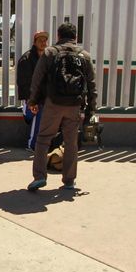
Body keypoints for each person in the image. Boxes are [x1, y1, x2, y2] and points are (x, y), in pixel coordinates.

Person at [27, 22, 97, 192]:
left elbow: (37, 79)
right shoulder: (84, 55)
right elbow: (92, 84)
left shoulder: (50, 52)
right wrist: (91, 110)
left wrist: (33, 101)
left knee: (43, 139)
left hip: (54, 103)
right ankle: (69, 181)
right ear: (76, 37)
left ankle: (40, 177)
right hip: (74, 105)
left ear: (58, 36)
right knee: (71, 142)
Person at [16, 31, 49, 151]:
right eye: (40, 40)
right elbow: (23, 82)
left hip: (44, 96)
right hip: (32, 96)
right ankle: (32, 145)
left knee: (38, 118)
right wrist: (30, 100)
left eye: (45, 40)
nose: (43, 43)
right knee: (35, 116)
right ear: (35, 42)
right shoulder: (27, 59)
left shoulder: (47, 56)